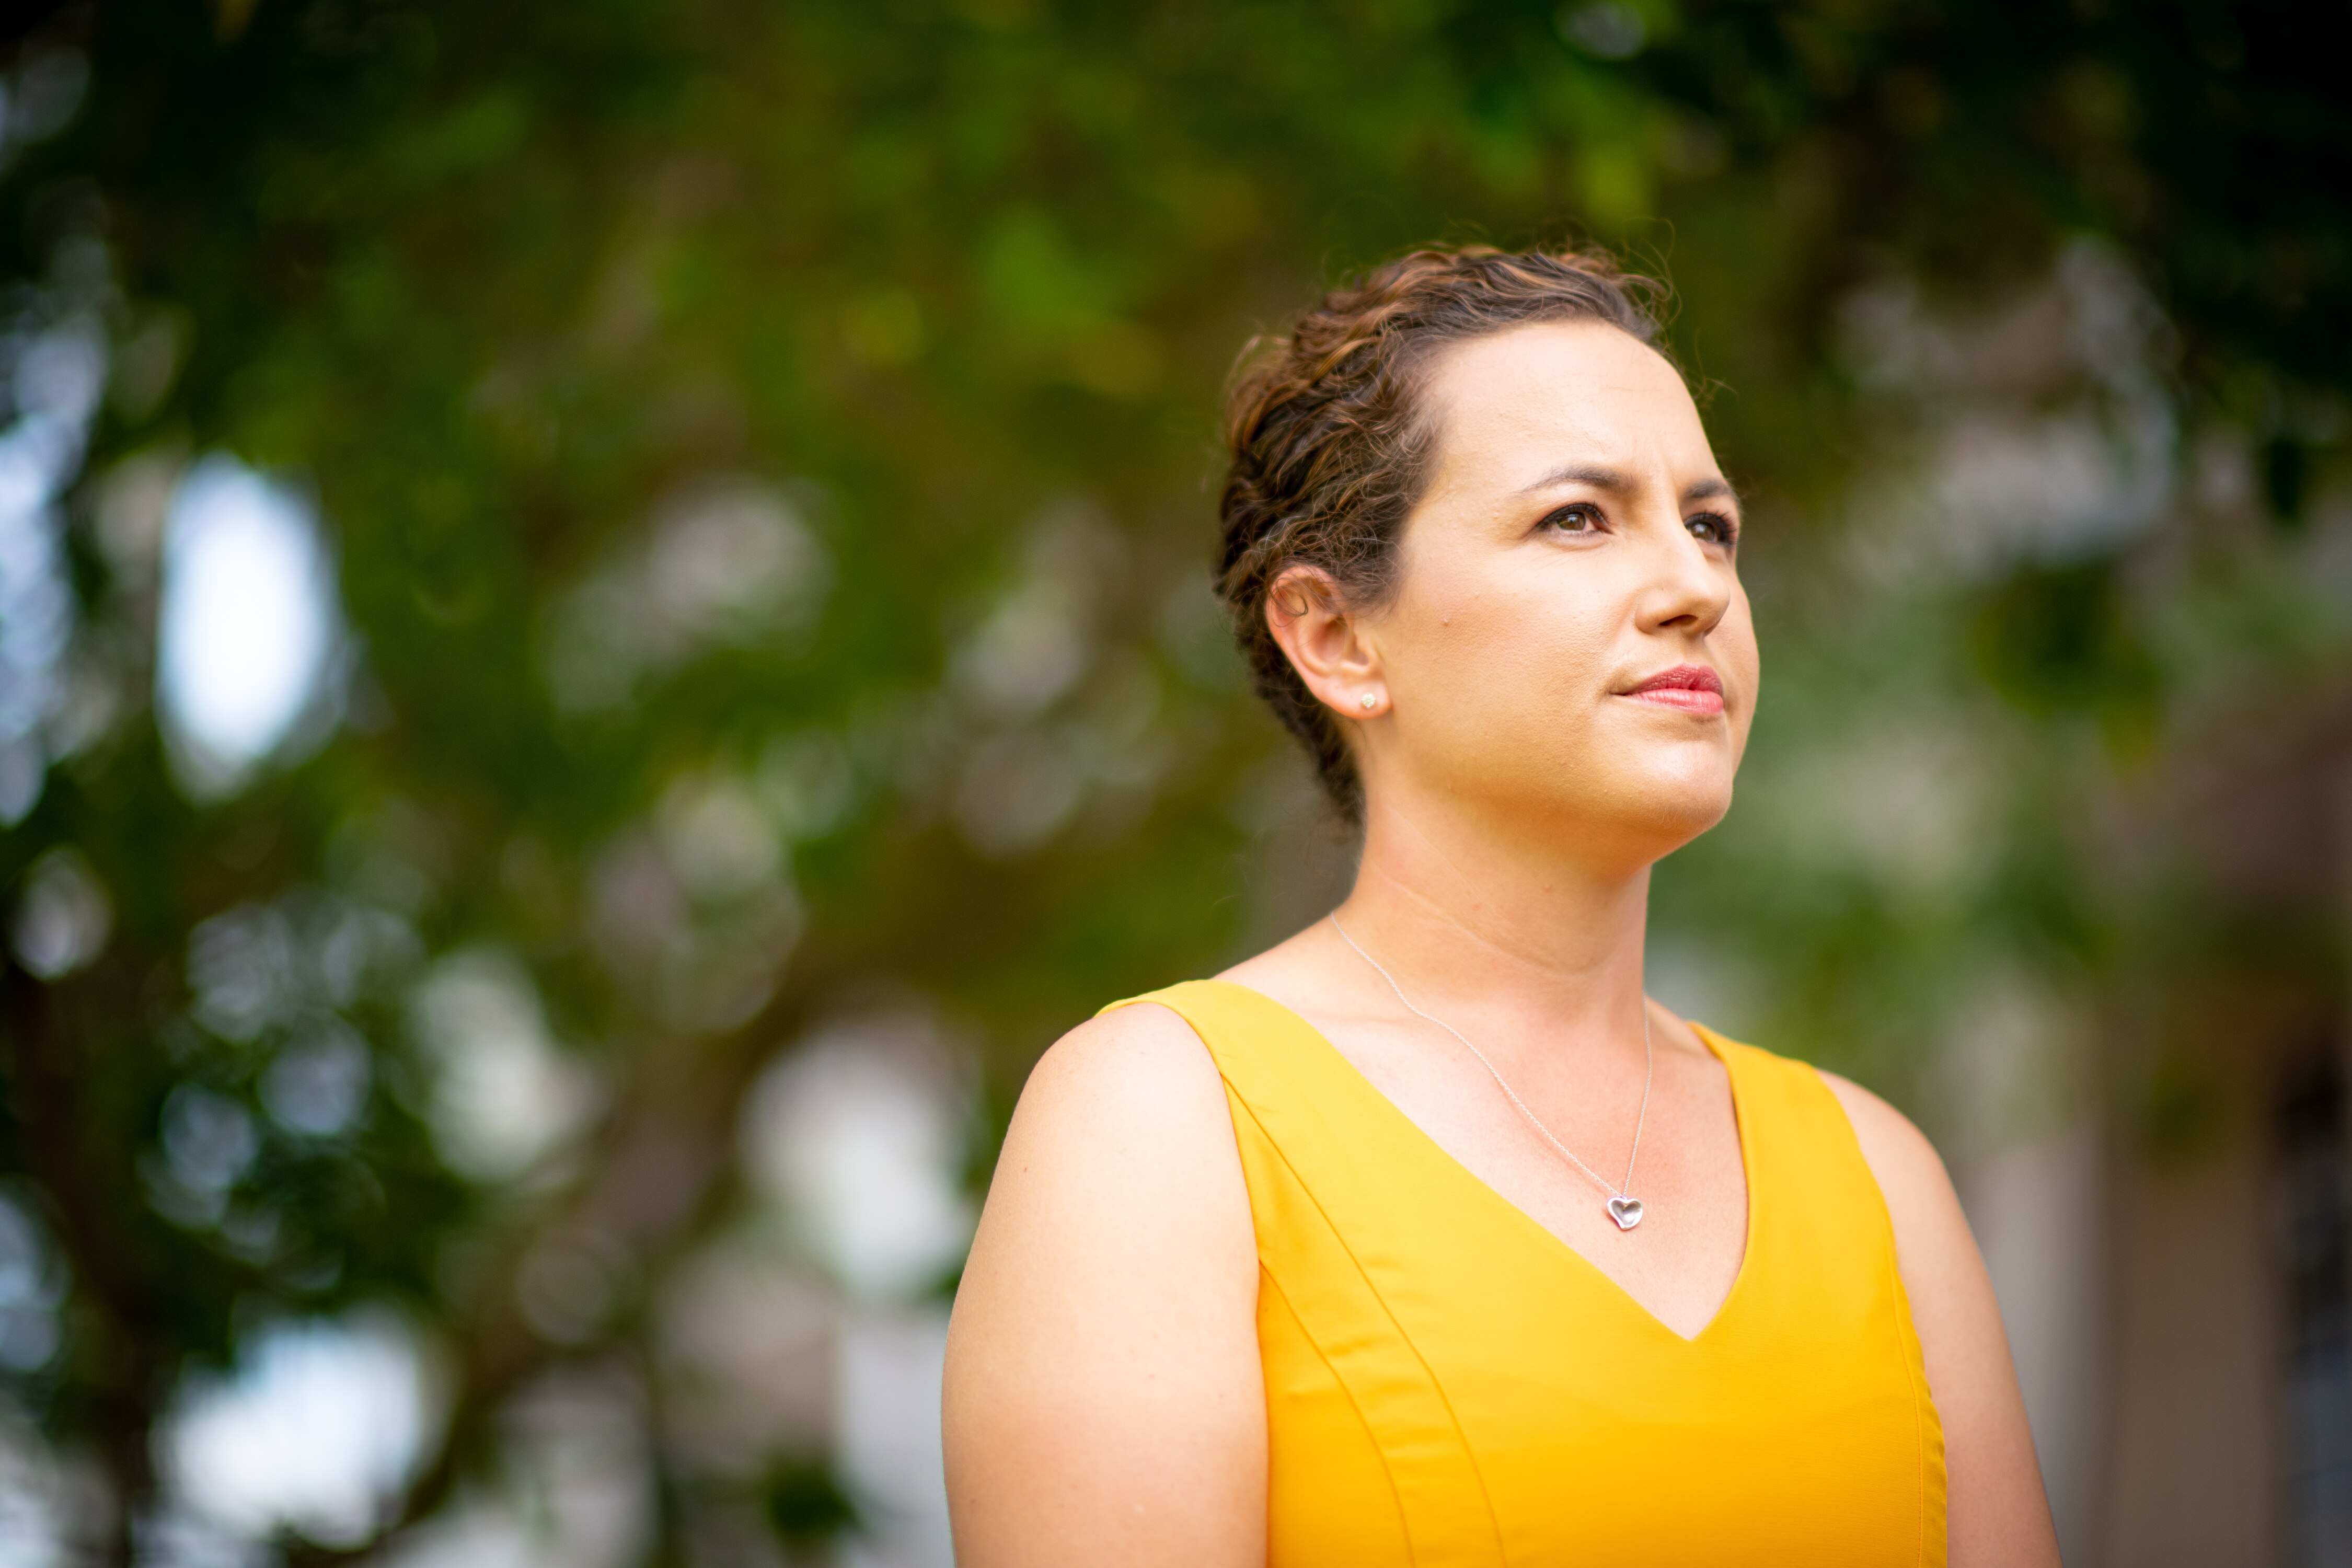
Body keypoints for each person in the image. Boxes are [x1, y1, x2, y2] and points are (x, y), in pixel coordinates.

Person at [940, 246, 2059, 1566]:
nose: (1698, 587)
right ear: (1338, 639)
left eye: (1711, 526)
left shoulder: (1878, 1175)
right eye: (1578, 517)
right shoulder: (1161, 1120)